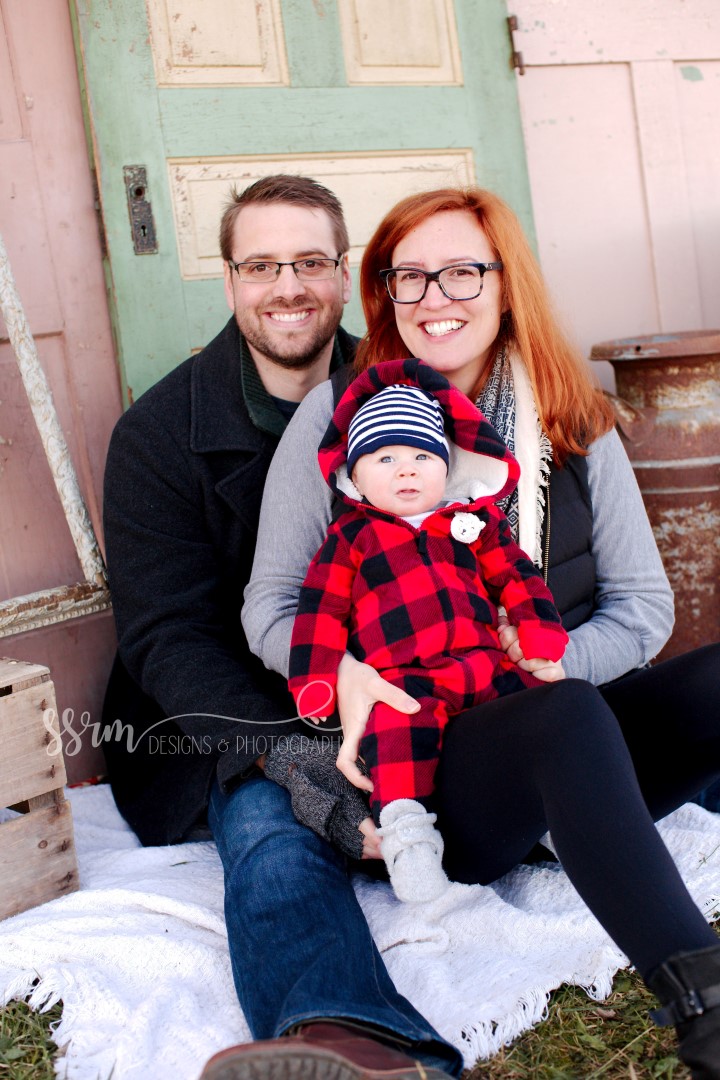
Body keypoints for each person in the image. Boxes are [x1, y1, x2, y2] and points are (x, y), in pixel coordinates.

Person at [243, 186, 720, 1077]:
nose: (436, 298)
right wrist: (342, 674)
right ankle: (708, 1009)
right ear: (384, 293)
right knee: (564, 716)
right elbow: (269, 606)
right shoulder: (338, 417)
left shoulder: (572, 415)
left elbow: (643, 609)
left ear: (506, 285)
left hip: (568, 719)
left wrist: (546, 661)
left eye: (462, 272)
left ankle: (589, 807)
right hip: (437, 760)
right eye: (410, 277)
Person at [102, 175, 461, 1080]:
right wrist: (285, 751)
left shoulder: (410, 395)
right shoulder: (157, 434)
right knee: (270, 823)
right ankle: (347, 1033)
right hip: (228, 700)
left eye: (309, 262)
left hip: (391, 681)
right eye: (260, 266)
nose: (287, 287)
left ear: (344, 275)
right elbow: (167, 635)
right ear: (229, 281)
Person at [286, 359, 568, 902]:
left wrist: (537, 635)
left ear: (446, 466)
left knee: (544, 706)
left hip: (486, 662)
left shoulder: (473, 523)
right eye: (385, 459)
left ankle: (557, 811)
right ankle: (409, 837)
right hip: (406, 678)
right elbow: (319, 610)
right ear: (355, 476)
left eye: (422, 457)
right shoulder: (351, 538)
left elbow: (517, 575)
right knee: (394, 733)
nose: (407, 472)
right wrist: (317, 681)